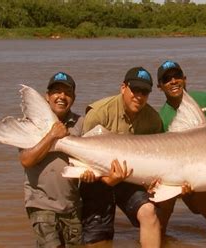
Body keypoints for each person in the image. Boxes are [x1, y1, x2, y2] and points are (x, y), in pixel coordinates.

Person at [79, 67, 162, 247]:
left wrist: (153, 181)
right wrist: (106, 179)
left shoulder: (153, 119)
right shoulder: (99, 112)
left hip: (130, 179)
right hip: (98, 179)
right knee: (99, 238)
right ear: (123, 88)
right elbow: (83, 155)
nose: (139, 96)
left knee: (149, 212)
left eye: (145, 92)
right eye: (135, 90)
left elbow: (158, 157)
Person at [156, 60, 206, 246]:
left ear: (185, 78)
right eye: (166, 79)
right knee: (156, 227)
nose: (173, 81)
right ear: (160, 87)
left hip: (203, 169)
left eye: (177, 76)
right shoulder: (159, 118)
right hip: (172, 174)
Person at [18, 72, 84, 247]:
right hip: (41, 205)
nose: (62, 96)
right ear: (47, 96)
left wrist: (90, 174)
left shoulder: (80, 123)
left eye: (67, 93)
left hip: (72, 206)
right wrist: (52, 135)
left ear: (74, 98)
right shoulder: (32, 123)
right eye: (56, 91)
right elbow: (26, 160)